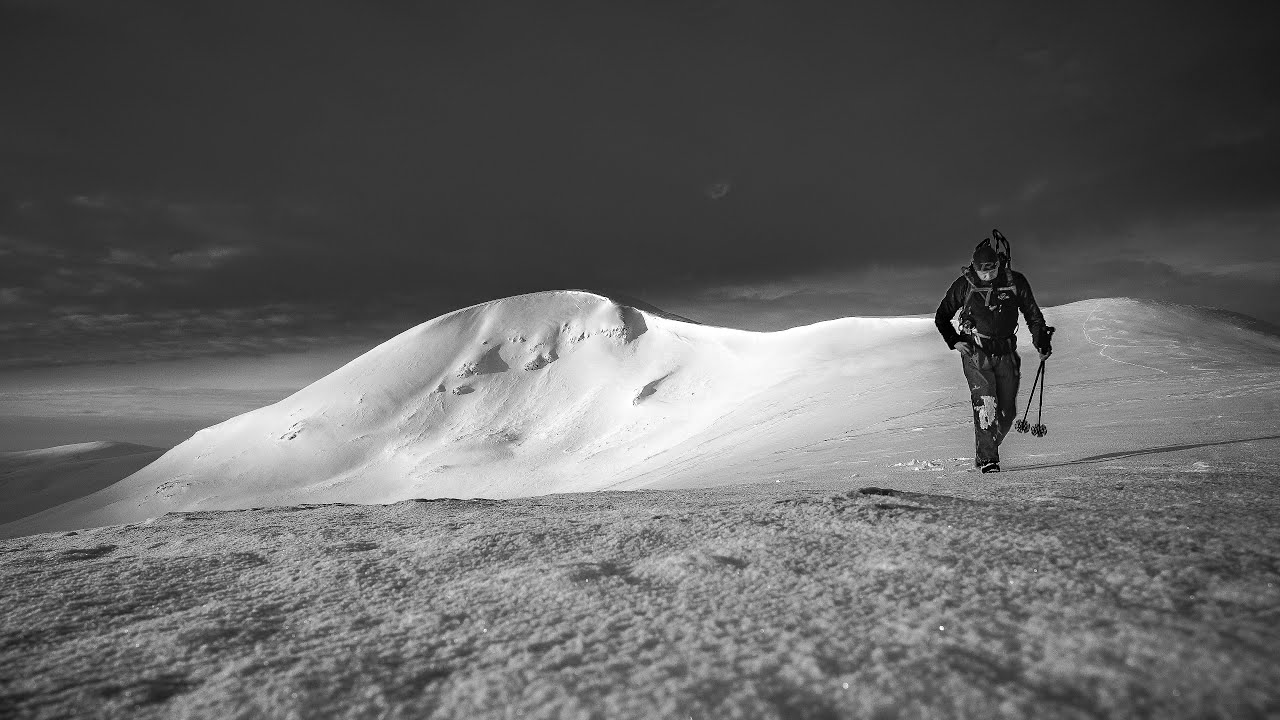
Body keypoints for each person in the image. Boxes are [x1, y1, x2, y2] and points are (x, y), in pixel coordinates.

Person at [935, 235, 1051, 473]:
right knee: (986, 403)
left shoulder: (1014, 281)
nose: (987, 274)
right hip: (976, 353)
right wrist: (954, 341)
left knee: (1008, 413)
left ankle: (985, 448)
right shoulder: (964, 284)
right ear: (974, 268)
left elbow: (1032, 314)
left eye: (991, 269)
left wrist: (1041, 339)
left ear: (999, 264)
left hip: (1007, 353)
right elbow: (942, 315)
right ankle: (989, 460)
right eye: (982, 270)